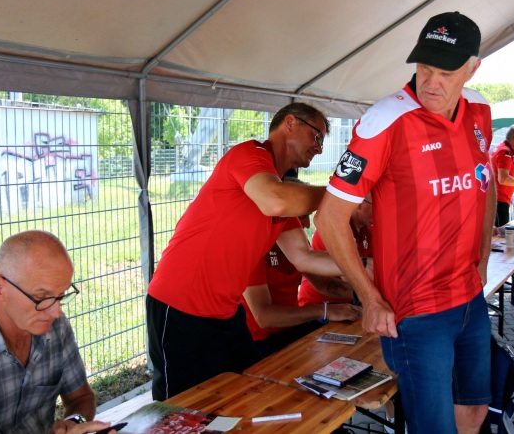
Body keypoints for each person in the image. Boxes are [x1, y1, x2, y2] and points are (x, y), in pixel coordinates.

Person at [315, 11, 496, 434]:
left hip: (470, 297)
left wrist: (483, 256)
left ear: (472, 68)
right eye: (423, 68)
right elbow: (329, 217)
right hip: (416, 310)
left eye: (445, 72)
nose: (430, 82)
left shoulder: (481, 111)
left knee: (474, 410)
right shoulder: (385, 120)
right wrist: (370, 298)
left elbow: (483, 183)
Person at [146, 102, 345, 400]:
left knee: (248, 393)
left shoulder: (282, 193)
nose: (318, 148)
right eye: (317, 137)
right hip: (182, 306)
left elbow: (305, 257)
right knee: (181, 409)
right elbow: (274, 201)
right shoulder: (249, 155)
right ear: (290, 123)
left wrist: (365, 265)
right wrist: (342, 194)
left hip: (226, 312)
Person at [0, 230, 115, 434]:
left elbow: (81, 398)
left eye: (60, 296)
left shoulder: (56, 327)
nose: (56, 311)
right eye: (41, 297)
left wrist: (74, 421)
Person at [242, 214, 362, 358]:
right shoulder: (253, 249)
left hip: (292, 329)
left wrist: (364, 294)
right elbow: (263, 317)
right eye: (302, 217)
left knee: (350, 349)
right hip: (259, 343)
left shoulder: (295, 245)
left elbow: (324, 284)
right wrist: (324, 310)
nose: (306, 225)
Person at [298, 194, 374, 307]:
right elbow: (352, 279)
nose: (381, 211)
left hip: (349, 302)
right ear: (358, 204)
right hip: (321, 307)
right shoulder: (334, 229)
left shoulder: (368, 231)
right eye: (376, 205)